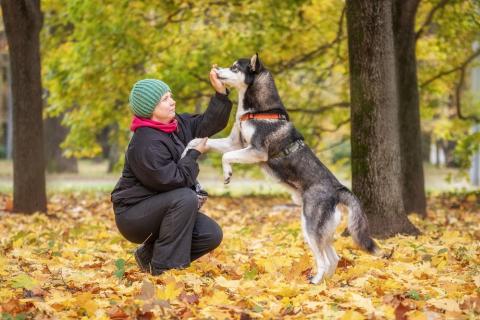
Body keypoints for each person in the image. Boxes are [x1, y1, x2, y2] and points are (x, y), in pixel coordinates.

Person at [111, 67, 232, 275]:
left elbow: (207, 124)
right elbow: (174, 180)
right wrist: (193, 154)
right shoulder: (145, 143)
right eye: (165, 99)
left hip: (162, 206)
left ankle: (149, 256)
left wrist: (220, 94)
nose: (172, 101)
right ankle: (166, 271)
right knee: (185, 197)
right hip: (133, 215)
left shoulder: (176, 125)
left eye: (171, 96)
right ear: (150, 108)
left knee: (210, 233)